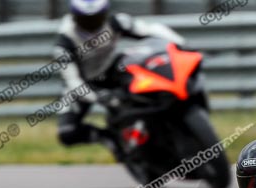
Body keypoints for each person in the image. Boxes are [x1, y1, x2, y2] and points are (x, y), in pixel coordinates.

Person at [54, 0, 185, 158]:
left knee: (147, 77)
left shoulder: (117, 22)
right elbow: (72, 81)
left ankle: (169, 120)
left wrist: (181, 44)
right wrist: (98, 97)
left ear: (105, 13)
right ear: (74, 16)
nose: (91, 25)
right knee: (67, 133)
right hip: (83, 83)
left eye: (96, 18)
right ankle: (109, 138)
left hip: (112, 70)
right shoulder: (64, 41)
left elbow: (153, 30)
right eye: (85, 19)